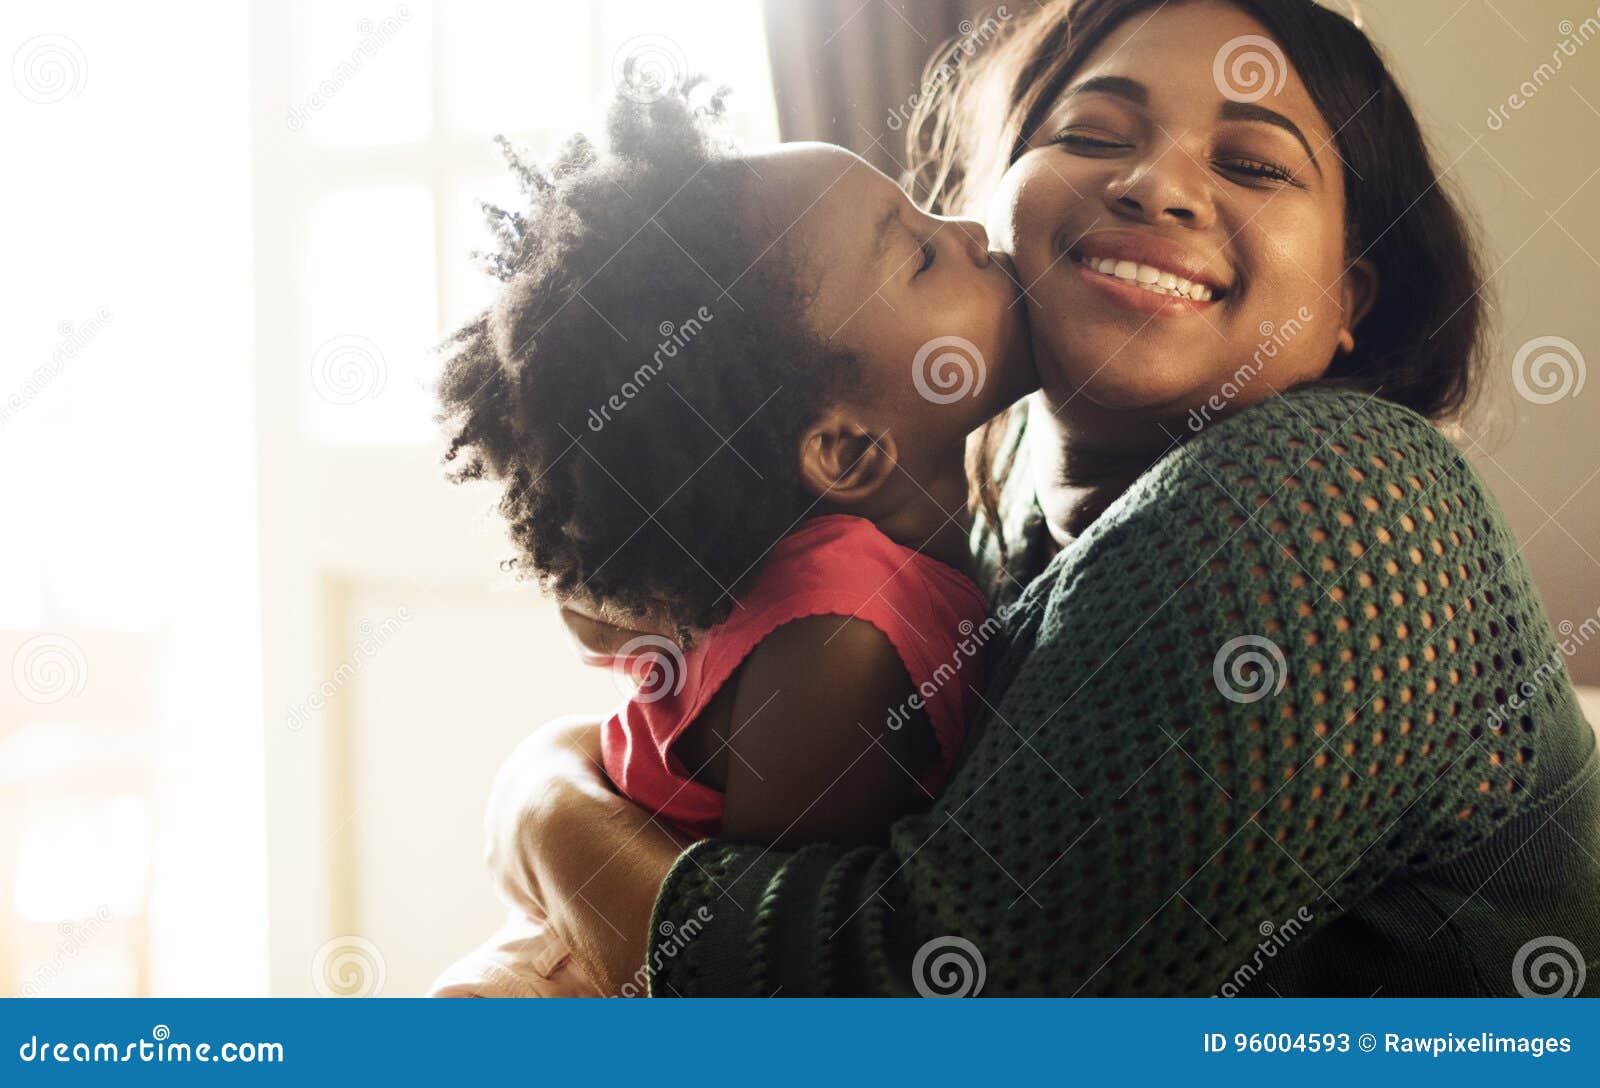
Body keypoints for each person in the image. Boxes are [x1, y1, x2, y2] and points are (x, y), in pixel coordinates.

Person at [479, 0, 1600, 996]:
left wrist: (544, 808)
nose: (1155, 183)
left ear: (1351, 295)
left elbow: (926, 1011)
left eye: (1255, 165)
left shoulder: (1329, 494)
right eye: (1092, 133)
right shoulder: (991, 512)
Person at [428, 83, 1034, 995]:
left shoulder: (867, 559)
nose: (972, 233)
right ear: (846, 449)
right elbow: (759, 969)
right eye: (919, 253)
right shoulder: (845, 644)